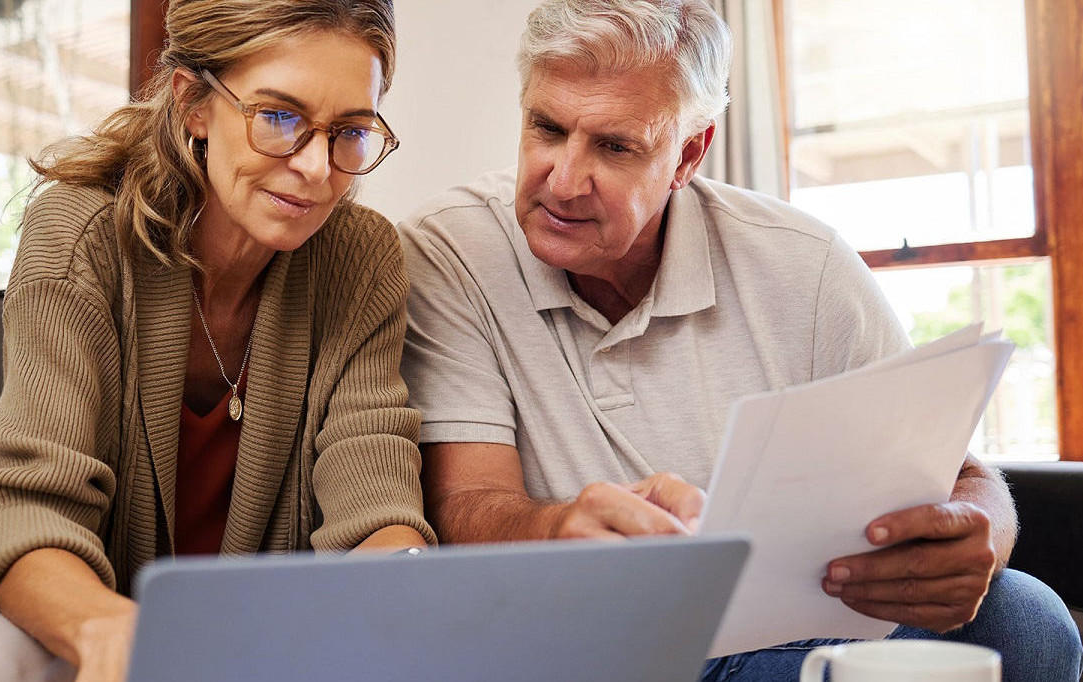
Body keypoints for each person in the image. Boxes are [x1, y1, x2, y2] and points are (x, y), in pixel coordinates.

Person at [397, 0, 1081, 679]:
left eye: (613, 146)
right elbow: (464, 505)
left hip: (793, 625)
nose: (564, 180)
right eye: (546, 128)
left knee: (1026, 619)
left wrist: (981, 534)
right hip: (585, 633)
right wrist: (557, 533)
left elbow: (961, 473)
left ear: (687, 154)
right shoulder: (452, 250)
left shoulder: (802, 263)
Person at [0, 2, 434, 680]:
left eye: (349, 131)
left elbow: (374, 504)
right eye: (279, 117)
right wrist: (108, 631)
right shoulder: (80, 232)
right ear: (193, 103)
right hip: (82, 632)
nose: (315, 167)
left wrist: (409, 586)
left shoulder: (361, 260)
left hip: (267, 649)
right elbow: (26, 511)